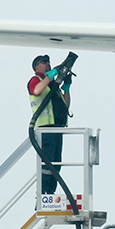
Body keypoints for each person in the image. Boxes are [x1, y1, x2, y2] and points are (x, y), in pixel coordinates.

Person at [27, 54, 73, 194]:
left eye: (49, 62)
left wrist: (66, 88)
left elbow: (65, 105)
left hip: (57, 127)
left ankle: (50, 192)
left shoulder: (53, 85)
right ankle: (43, 192)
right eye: (44, 62)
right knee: (47, 162)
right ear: (36, 66)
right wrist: (50, 75)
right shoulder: (36, 80)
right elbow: (36, 91)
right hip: (45, 128)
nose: (48, 64)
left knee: (56, 162)